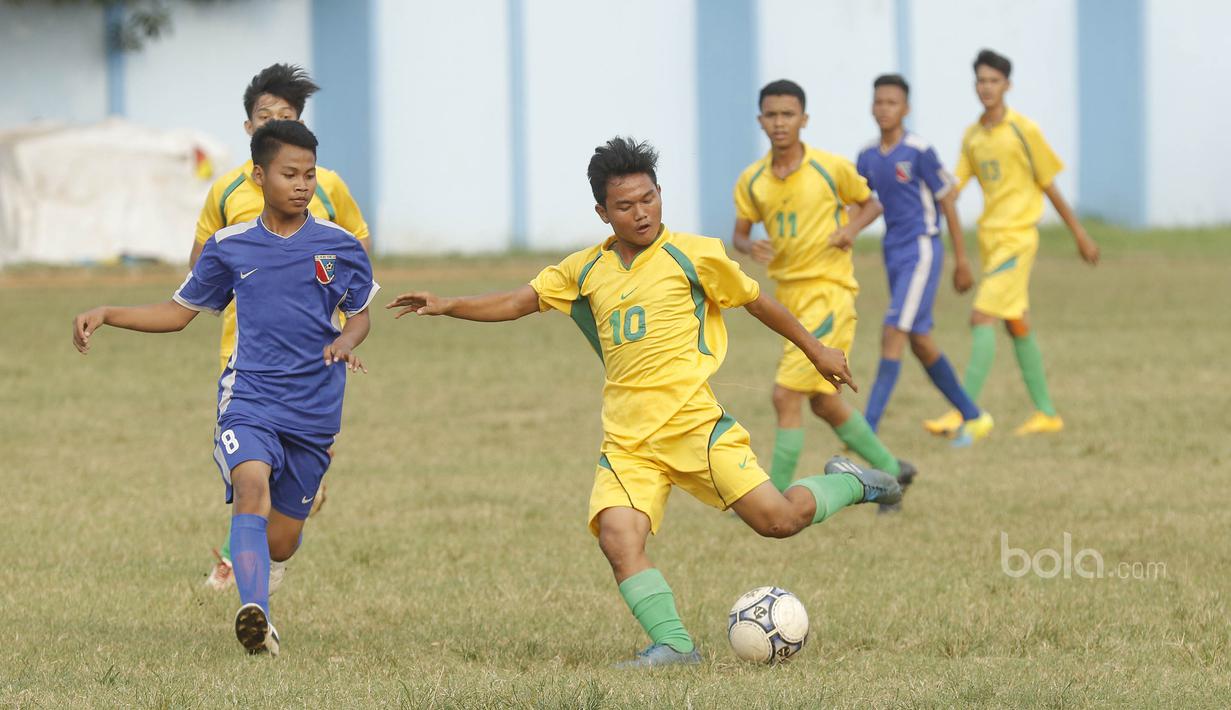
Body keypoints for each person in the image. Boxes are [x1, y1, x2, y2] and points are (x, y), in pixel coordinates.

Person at [385, 137, 901, 668]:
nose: (641, 213)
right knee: (617, 537)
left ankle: (855, 481)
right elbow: (519, 301)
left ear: (660, 194)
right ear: (602, 212)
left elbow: (757, 302)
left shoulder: (694, 254)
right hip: (629, 440)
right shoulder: (585, 270)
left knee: (779, 522)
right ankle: (676, 645)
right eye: (626, 206)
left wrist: (815, 349)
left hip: (695, 428)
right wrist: (447, 304)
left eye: (649, 198)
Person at [73, 121, 378, 655]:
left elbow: (360, 315)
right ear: (260, 176)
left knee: (282, 537)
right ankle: (254, 614)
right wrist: (107, 312)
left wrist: (347, 340)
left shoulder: (339, 246)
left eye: (309, 174)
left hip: (315, 407)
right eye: (290, 174)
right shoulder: (230, 247)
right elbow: (177, 313)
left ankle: (265, 571)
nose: (303, 184)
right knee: (250, 489)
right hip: (251, 398)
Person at [194, 64, 371, 591]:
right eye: (264, 115)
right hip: (244, 349)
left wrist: (342, 322)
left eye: (286, 116)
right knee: (251, 475)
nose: (274, 121)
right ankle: (246, 586)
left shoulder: (328, 188)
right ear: (250, 128)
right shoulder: (227, 192)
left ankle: (288, 507)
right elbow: (200, 264)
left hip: (313, 358)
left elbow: (354, 252)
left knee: (281, 506)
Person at [731, 79, 915, 508]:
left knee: (785, 395)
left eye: (788, 114)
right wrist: (749, 245)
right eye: (772, 115)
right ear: (761, 120)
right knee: (824, 404)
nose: (780, 123)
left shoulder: (829, 168)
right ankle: (892, 473)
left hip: (829, 293)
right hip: (789, 299)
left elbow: (871, 202)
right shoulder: (752, 180)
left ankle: (770, 499)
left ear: (804, 119)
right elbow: (740, 233)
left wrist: (850, 229)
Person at [923, 50, 1099, 437]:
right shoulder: (972, 136)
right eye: (981, 81)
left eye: (994, 81)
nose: (987, 87)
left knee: (981, 316)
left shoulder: (1024, 130)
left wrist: (1080, 235)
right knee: (1017, 324)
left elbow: (1049, 184)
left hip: (1018, 239)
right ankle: (1047, 413)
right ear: (975, 86)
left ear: (1007, 85)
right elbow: (953, 188)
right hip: (991, 241)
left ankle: (965, 412)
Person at [854, 74, 994, 446]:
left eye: (892, 103)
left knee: (892, 332)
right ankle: (974, 416)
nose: (884, 109)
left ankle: (866, 431)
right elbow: (860, 205)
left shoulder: (918, 151)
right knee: (920, 341)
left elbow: (948, 199)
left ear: (906, 109)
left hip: (921, 248)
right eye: (878, 102)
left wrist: (961, 260)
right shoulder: (867, 156)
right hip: (892, 251)